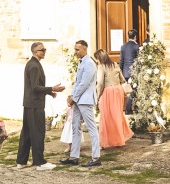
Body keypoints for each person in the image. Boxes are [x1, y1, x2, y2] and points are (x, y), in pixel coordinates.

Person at [16, 42, 64, 170]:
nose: (44, 51)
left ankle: (21, 161)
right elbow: (35, 87)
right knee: (37, 132)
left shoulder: (32, 64)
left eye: (45, 49)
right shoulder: (34, 66)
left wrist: (49, 92)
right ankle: (40, 162)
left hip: (29, 103)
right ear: (34, 51)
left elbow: (35, 87)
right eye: (41, 50)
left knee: (27, 132)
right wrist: (51, 88)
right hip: (35, 104)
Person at [60, 40, 100, 168]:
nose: (75, 52)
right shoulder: (82, 62)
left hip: (85, 100)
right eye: (75, 49)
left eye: (77, 49)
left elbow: (84, 83)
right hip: (78, 99)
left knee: (91, 128)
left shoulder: (89, 63)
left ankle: (96, 157)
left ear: (84, 49)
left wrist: (73, 97)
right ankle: (74, 156)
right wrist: (71, 96)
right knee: (75, 127)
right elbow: (78, 83)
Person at [94, 49, 133, 149]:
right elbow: (122, 79)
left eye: (97, 59)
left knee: (105, 117)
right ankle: (119, 139)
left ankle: (104, 142)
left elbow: (100, 83)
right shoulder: (115, 64)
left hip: (108, 92)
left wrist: (97, 96)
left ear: (99, 58)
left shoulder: (101, 67)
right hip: (118, 90)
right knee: (117, 115)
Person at [120, 30, 139, 112]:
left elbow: (121, 60)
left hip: (125, 72)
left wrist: (121, 71)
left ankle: (132, 107)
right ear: (135, 36)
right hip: (133, 72)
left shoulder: (123, 46)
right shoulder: (137, 46)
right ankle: (128, 108)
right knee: (134, 90)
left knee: (130, 90)